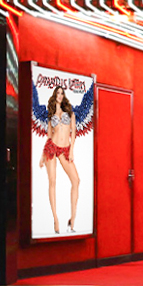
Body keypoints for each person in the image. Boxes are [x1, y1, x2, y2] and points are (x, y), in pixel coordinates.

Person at [40, 85, 84, 233]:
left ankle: (72, 219)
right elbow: (49, 136)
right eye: (57, 93)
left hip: (65, 149)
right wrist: (42, 155)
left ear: (63, 96)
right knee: (52, 182)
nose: (60, 95)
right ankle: (56, 219)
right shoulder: (51, 114)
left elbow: (74, 133)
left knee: (76, 181)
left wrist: (71, 151)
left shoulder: (70, 113)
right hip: (52, 147)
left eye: (62, 93)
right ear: (55, 95)